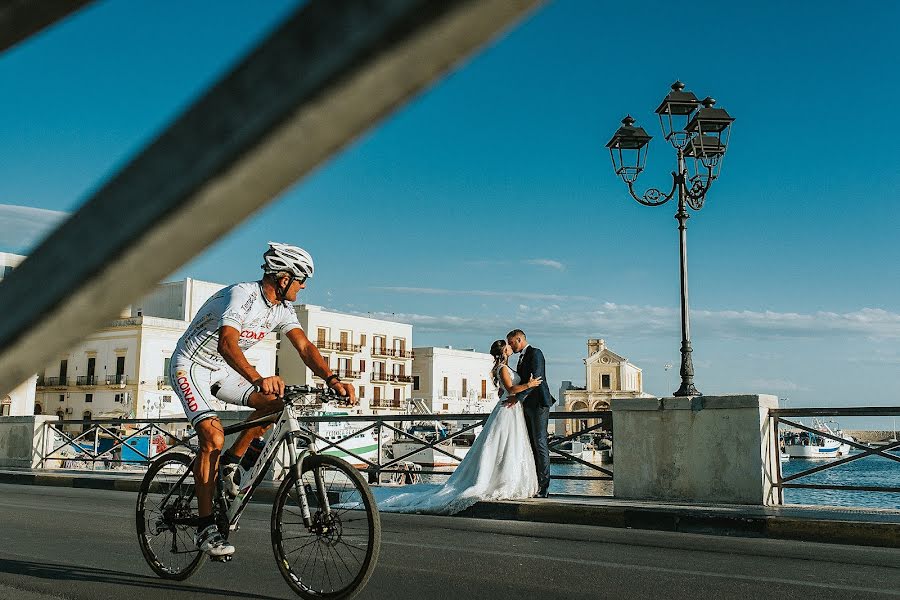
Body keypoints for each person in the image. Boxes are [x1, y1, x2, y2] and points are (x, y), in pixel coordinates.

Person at [168, 242, 355, 557]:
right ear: (284, 279)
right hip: (190, 367)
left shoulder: (283, 309)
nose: (304, 286)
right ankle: (205, 527)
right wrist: (258, 378)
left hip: (221, 372)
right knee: (212, 436)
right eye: (301, 280)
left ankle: (230, 463)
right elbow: (228, 344)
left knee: (275, 404)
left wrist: (332, 379)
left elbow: (305, 347)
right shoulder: (243, 296)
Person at [376, 338, 540, 515]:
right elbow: (511, 389)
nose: (510, 347)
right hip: (507, 409)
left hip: (512, 409)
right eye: (508, 346)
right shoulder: (502, 369)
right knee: (500, 445)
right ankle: (496, 481)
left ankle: (502, 479)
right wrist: (529, 384)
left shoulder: (504, 368)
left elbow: (505, 389)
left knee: (507, 446)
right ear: (503, 352)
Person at [507, 329, 555, 498]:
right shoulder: (520, 357)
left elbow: (537, 380)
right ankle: (533, 483)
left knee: (540, 443)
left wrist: (517, 398)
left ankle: (544, 487)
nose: (510, 346)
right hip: (526, 405)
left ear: (519, 339)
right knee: (531, 444)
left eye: (511, 343)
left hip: (539, 404)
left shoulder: (536, 353)